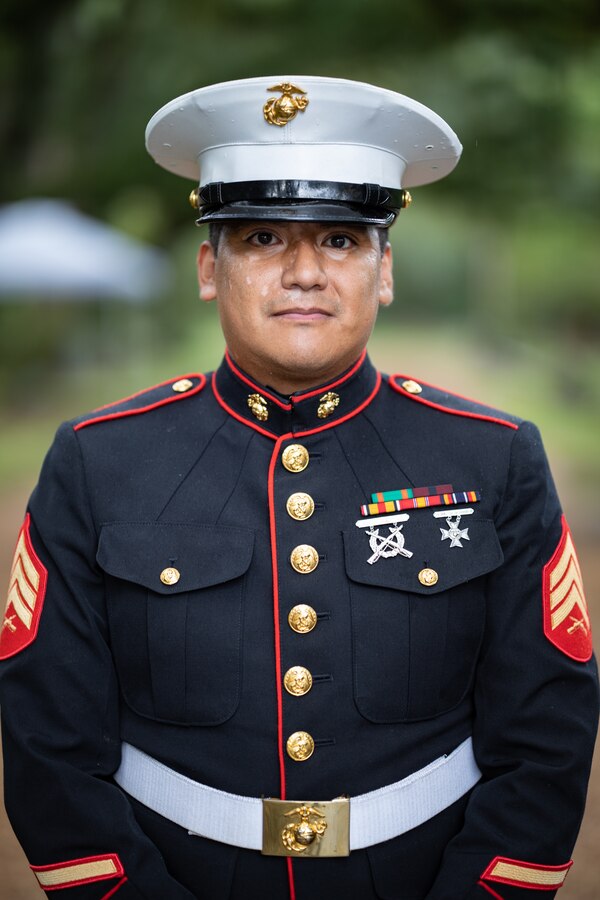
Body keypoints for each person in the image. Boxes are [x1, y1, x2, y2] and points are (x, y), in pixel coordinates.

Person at [0, 75, 598, 900]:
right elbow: (48, 744)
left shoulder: (493, 459)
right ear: (210, 267)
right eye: (262, 238)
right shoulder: (98, 462)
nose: (306, 272)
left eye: (344, 241)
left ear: (384, 271)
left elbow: (547, 732)